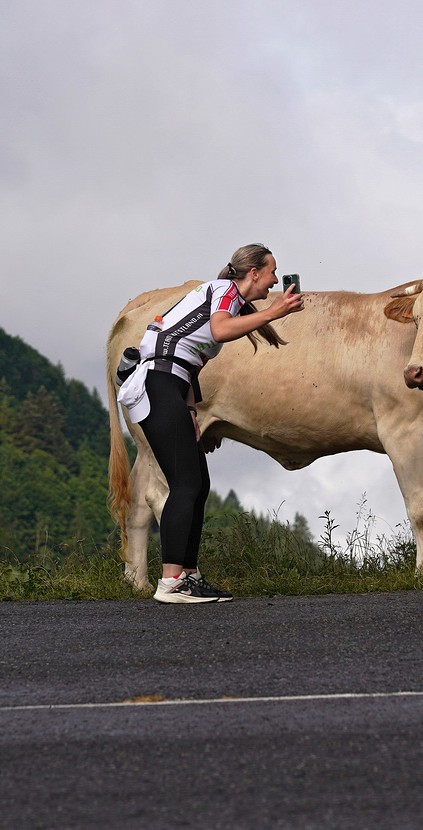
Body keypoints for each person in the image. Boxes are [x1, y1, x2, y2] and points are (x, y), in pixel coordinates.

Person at [122, 244, 304, 604]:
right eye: (271, 272)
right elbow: (220, 331)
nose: (273, 280)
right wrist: (274, 311)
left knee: (198, 484)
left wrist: (190, 414)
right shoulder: (223, 291)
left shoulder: (228, 299)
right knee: (185, 485)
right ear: (253, 273)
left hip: (172, 387)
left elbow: (189, 366)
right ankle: (171, 581)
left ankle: (188, 576)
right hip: (156, 384)